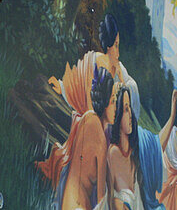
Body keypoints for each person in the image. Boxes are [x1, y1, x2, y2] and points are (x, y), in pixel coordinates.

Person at [35, 67, 116, 209]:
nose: (116, 108)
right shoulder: (101, 138)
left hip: (67, 201)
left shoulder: (87, 118)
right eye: (113, 100)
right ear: (104, 102)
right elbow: (101, 200)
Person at [49, 14, 141, 121]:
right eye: (116, 45)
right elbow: (78, 84)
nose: (118, 53)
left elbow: (127, 98)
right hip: (91, 117)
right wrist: (62, 87)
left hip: (109, 123)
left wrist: (121, 79)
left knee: (132, 84)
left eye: (118, 45)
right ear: (108, 46)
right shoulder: (93, 60)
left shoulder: (119, 68)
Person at [105, 86, 145, 210]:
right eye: (126, 109)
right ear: (118, 114)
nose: (131, 116)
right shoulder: (113, 153)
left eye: (130, 109)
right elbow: (110, 199)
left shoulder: (135, 155)